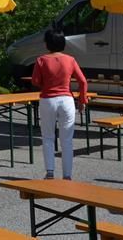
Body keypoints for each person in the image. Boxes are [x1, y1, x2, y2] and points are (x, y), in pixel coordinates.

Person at [32, 29, 88, 180]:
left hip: (48, 100)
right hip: (66, 100)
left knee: (48, 137)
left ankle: (50, 171)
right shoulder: (70, 60)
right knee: (67, 140)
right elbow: (83, 81)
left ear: (47, 44)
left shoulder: (41, 60)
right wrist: (82, 100)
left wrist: (45, 83)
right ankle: (67, 175)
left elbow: (35, 81)